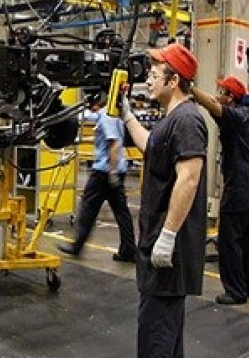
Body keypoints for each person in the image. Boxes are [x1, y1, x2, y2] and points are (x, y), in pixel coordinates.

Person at [121, 42, 208, 357]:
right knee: (165, 336)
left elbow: (189, 178)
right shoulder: (172, 118)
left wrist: (168, 236)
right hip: (157, 242)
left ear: (174, 81)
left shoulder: (187, 120)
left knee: (156, 338)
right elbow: (152, 147)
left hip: (168, 248)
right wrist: (128, 116)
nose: (148, 80)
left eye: (154, 75)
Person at [191, 75, 249, 305]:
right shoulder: (243, 116)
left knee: (229, 242)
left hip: (239, 189)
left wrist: (188, 87)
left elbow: (211, 104)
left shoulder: (235, 117)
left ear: (230, 97)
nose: (218, 95)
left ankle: (235, 291)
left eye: (222, 91)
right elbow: (212, 103)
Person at [57, 92, 137, 262]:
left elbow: (114, 143)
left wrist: (112, 173)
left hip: (104, 172)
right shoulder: (114, 114)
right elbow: (90, 119)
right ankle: (128, 250)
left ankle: (77, 246)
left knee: (88, 208)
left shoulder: (107, 115)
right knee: (121, 212)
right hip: (115, 170)